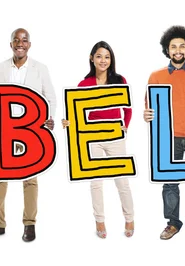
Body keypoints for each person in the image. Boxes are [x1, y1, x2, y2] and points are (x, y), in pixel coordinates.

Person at [0, 28, 56, 242]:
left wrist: (49, 119)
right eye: (16, 40)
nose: (20, 43)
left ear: (30, 44)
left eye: (24, 40)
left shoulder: (40, 69)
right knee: (0, 176)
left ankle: (29, 225)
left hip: (30, 132)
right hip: (5, 131)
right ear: (11, 44)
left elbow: (51, 98)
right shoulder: (0, 68)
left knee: (30, 178)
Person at [143, 25, 185, 241]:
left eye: (182, 46)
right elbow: (149, 105)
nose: (178, 50)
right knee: (170, 183)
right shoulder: (156, 76)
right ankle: (172, 223)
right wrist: (146, 114)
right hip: (167, 138)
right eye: (173, 46)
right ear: (167, 49)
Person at [61, 41, 135, 239]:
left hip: (114, 136)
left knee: (122, 180)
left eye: (107, 57)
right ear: (91, 58)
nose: (103, 60)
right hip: (92, 138)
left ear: (111, 60)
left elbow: (127, 108)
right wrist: (68, 122)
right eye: (99, 56)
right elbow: (75, 112)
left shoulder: (119, 80)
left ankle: (129, 217)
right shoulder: (84, 84)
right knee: (96, 181)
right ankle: (99, 220)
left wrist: (125, 126)